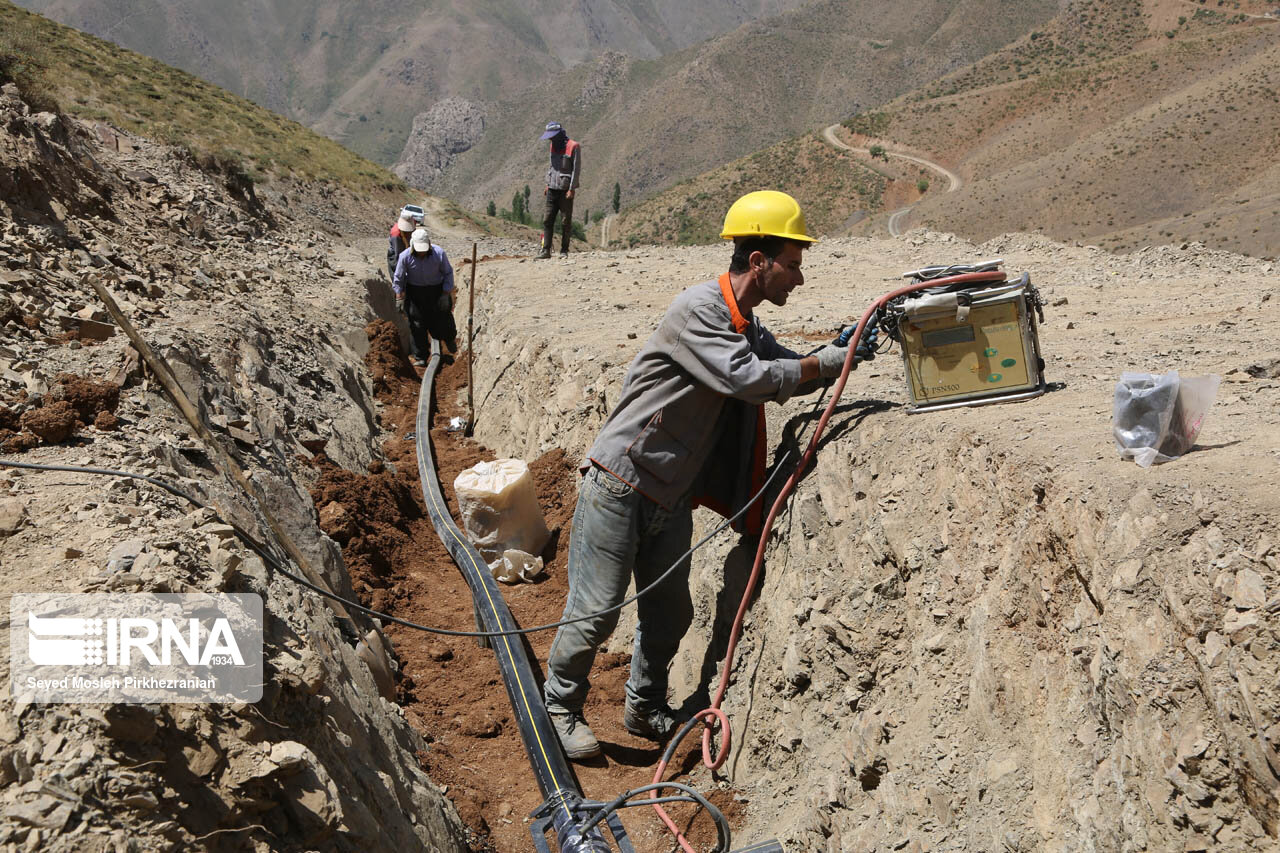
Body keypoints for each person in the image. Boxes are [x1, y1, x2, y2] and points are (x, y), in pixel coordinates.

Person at [543, 190, 870, 760]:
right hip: (622, 484)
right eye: (792, 265)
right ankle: (559, 706)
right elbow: (750, 379)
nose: (798, 278)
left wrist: (838, 350)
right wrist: (823, 363)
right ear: (759, 261)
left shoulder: (745, 323)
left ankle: (644, 706)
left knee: (670, 613)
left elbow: (782, 367)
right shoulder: (700, 311)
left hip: (670, 494)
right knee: (597, 611)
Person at [393, 227, 457, 367]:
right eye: (419, 250)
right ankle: (420, 356)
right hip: (415, 293)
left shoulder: (438, 253)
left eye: (424, 250)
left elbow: (448, 273)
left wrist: (446, 293)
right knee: (416, 325)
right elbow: (399, 277)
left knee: (443, 318)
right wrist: (399, 296)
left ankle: (449, 339)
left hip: (436, 291)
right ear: (412, 246)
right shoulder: (405, 256)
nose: (421, 253)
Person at [536, 121, 581, 259]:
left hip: (565, 190)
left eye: (552, 136)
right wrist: (547, 184)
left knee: (565, 222)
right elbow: (552, 167)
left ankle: (564, 250)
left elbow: (576, 169)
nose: (550, 139)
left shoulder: (573, 146)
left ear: (559, 134)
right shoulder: (552, 146)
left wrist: (572, 188)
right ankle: (546, 250)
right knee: (547, 220)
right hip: (552, 188)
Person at [387, 204, 425, 279]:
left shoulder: (412, 221)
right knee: (398, 276)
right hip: (396, 256)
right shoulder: (396, 235)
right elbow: (398, 255)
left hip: (406, 251)